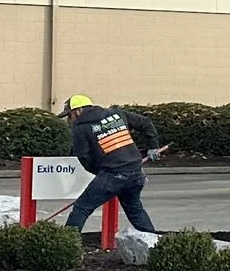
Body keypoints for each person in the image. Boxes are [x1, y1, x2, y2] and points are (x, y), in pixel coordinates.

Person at [61, 95, 162, 236]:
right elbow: (145, 123)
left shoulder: (81, 128)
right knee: (135, 209)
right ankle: (153, 245)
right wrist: (153, 147)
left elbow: (83, 157)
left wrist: (99, 173)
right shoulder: (116, 114)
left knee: (82, 208)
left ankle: (67, 244)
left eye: (69, 115)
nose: (69, 120)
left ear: (78, 110)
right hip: (135, 171)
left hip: (112, 174)